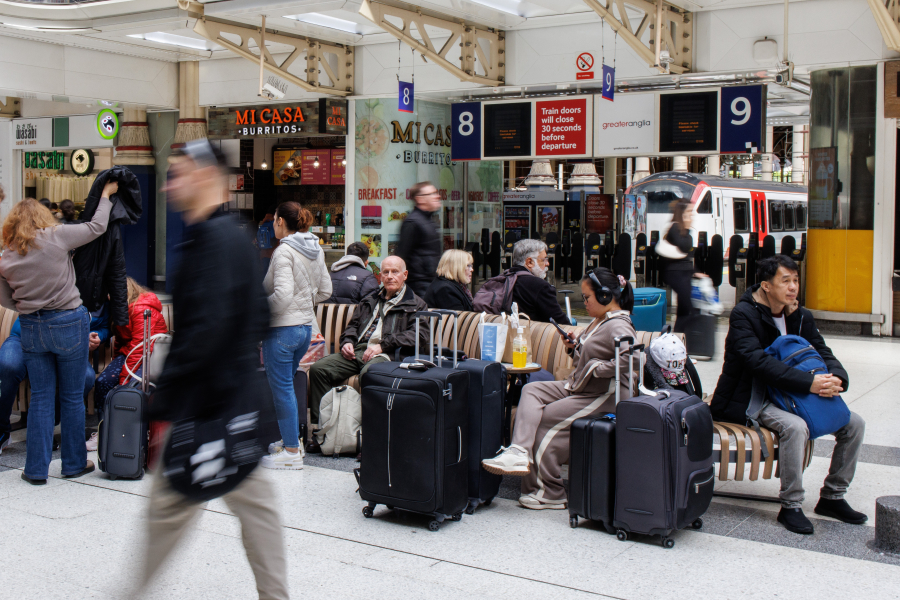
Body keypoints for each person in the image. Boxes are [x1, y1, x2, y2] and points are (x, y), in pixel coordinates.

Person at [138, 139, 288, 599]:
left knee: (169, 513)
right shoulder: (235, 235)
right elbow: (261, 316)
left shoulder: (210, 242)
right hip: (235, 405)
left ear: (204, 176)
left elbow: (203, 333)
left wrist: (161, 401)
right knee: (257, 508)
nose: (170, 186)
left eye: (178, 173)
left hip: (205, 411)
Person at [709, 255, 866, 535]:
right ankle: (791, 505)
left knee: (854, 424)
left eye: (795, 280)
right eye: (786, 281)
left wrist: (837, 378)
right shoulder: (744, 314)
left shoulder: (799, 315)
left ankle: (832, 497)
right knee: (796, 427)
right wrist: (810, 384)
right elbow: (757, 362)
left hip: (794, 392)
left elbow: (822, 350)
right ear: (767, 286)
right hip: (754, 395)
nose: (793, 287)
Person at [482, 267, 635, 510]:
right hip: (583, 387)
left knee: (546, 418)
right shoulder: (600, 321)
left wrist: (596, 368)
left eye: (587, 298)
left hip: (604, 394)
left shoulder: (618, 325)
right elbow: (593, 355)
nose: (584, 302)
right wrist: (574, 347)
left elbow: (634, 360)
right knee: (532, 390)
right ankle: (518, 451)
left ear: (605, 296)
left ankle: (550, 492)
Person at [0, 189, 115, 484]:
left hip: (32, 327)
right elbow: (96, 227)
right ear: (42, 217)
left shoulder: (6, 257)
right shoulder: (56, 236)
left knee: (40, 397)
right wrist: (105, 195)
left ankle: (36, 470)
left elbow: (7, 300)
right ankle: (74, 463)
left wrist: (30, 305)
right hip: (68, 321)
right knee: (73, 396)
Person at [308, 255, 428, 433]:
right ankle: (324, 430)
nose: (389, 276)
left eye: (395, 272)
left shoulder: (416, 304)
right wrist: (347, 342)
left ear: (405, 275)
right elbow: (353, 327)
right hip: (359, 351)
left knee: (370, 374)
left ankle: (369, 434)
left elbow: (419, 335)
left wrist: (383, 346)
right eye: (385, 272)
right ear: (380, 275)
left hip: (389, 355)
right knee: (319, 369)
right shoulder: (371, 299)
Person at [261, 201, 332, 470]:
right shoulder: (315, 249)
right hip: (304, 330)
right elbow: (325, 291)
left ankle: (291, 451)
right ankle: (289, 441)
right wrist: (304, 303)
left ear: (280, 221)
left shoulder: (284, 252)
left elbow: (281, 296)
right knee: (287, 387)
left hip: (282, 330)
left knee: (282, 390)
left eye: (274, 219)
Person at [87, 278, 166, 451]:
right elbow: (121, 341)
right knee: (103, 382)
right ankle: (104, 430)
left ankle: (130, 432)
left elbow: (142, 347)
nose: (106, 297)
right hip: (131, 353)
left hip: (151, 356)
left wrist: (123, 378)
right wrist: (116, 364)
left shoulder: (141, 308)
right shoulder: (120, 309)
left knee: (128, 387)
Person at [395, 181, 441, 297]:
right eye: (432, 193)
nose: (437, 196)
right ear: (420, 199)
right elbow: (401, 256)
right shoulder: (412, 223)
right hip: (419, 287)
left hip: (430, 283)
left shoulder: (429, 221)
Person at [506, 239, 568, 324]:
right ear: (530, 262)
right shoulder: (540, 286)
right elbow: (561, 323)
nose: (547, 263)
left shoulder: (502, 279)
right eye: (543, 260)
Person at [662, 200, 696, 333]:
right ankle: (678, 336)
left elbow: (687, 255)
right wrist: (687, 228)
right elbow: (684, 246)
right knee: (688, 308)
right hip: (675, 274)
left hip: (685, 274)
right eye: (689, 211)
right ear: (681, 213)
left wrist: (696, 272)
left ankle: (678, 336)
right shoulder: (675, 228)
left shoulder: (683, 230)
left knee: (683, 308)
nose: (691, 215)